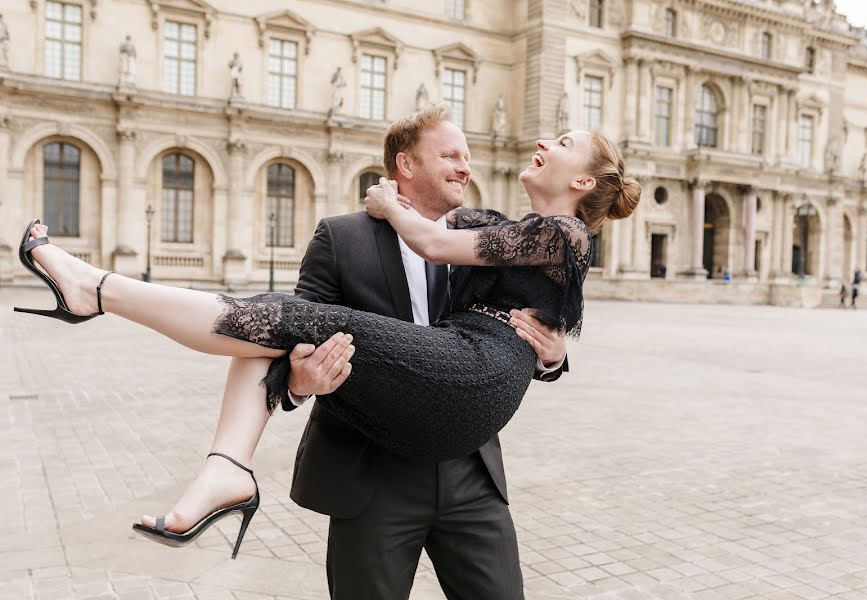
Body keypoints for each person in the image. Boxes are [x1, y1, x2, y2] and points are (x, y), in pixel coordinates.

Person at [16, 108, 640, 581]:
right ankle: (225, 468)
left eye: (469, 156)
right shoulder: (344, 238)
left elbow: (503, 292)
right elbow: (288, 346)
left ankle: (96, 292)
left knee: (280, 317)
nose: (467, 167)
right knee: (278, 323)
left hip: (468, 460)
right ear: (406, 164)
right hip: (372, 477)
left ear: (584, 179)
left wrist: (554, 357)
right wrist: (298, 381)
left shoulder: (516, 232)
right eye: (450, 154)